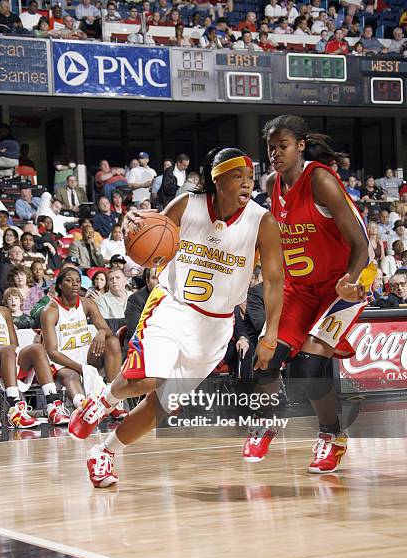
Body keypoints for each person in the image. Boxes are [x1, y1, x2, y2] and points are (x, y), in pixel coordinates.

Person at [68, 147, 284, 488]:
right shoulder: (188, 205)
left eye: (250, 178)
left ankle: (103, 453)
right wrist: (131, 226)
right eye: (237, 176)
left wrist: (271, 333)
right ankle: (103, 400)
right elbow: (148, 232)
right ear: (217, 179)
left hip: (216, 327)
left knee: (163, 406)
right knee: (148, 376)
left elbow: (273, 281)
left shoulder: (263, 221)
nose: (246, 183)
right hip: (173, 307)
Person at [241, 115, 372, 473]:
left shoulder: (320, 181)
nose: (275, 154)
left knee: (310, 364)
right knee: (264, 357)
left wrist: (351, 279)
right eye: (270, 148)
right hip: (300, 286)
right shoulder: (272, 184)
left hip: (342, 285)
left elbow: (361, 244)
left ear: (300, 146)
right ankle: (267, 419)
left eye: (282, 147)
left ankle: (332, 435)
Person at [40, 268, 126, 420]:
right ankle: (83, 406)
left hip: (86, 355)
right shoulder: (50, 310)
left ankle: (113, 401)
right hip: (62, 360)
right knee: (72, 375)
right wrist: (82, 368)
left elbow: (108, 331)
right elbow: (52, 352)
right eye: (69, 280)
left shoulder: (87, 303)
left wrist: (101, 332)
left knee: (111, 341)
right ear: (59, 285)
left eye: (78, 281)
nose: (75, 284)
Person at [0, 303, 68, 428]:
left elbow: (15, 345)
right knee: (7, 350)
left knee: (36, 349)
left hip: (8, 360)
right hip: (4, 355)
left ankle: (52, 405)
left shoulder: (4, 311)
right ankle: (14, 409)